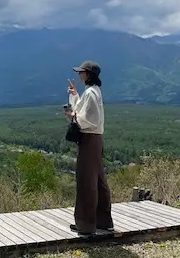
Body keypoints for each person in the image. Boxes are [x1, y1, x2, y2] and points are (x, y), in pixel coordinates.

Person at [64, 60, 114, 236]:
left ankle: (86, 225)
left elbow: (88, 119)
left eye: (82, 72)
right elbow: (87, 112)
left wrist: (72, 116)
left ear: (88, 75)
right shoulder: (92, 92)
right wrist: (75, 96)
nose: (79, 75)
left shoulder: (91, 93)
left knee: (87, 182)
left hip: (89, 141)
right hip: (95, 141)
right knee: (98, 181)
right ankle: (103, 221)